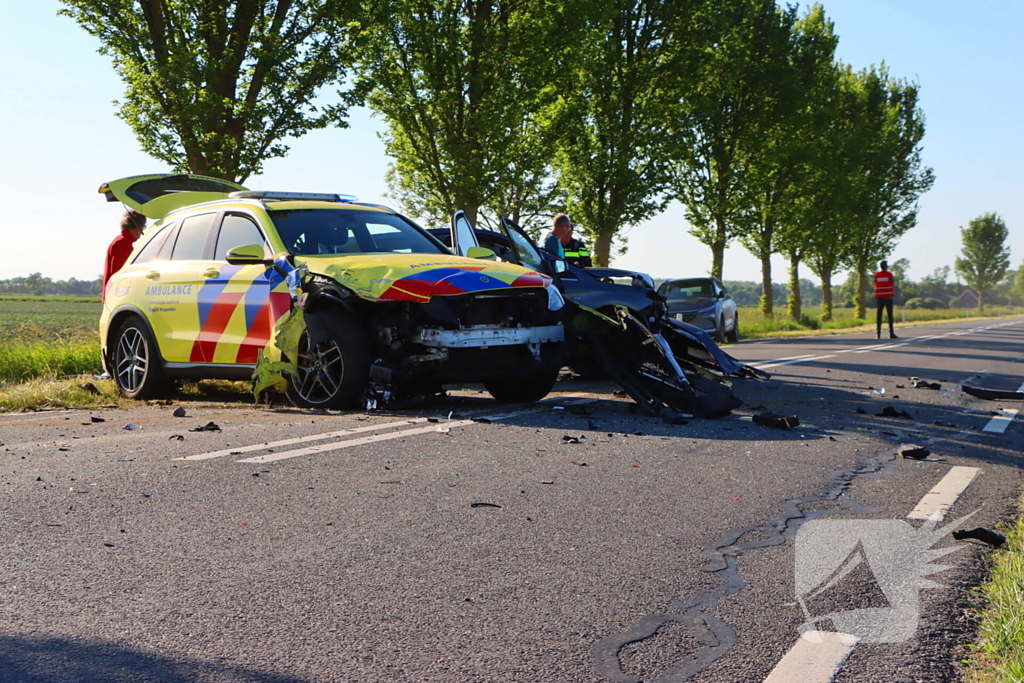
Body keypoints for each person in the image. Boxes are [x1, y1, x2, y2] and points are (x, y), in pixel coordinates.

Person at [102, 209, 146, 302]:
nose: (141, 234)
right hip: (118, 295)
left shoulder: (121, 241)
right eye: (142, 230)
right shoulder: (123, 244)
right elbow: (120, 272)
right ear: (136, 228)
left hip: (114, 294)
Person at [873, 259, 897, 339]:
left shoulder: (876, 275)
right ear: (886, 267)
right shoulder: (889, 274)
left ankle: (878, 334)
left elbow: (874, 283)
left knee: (879, 315)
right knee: (890, 315)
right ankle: (891, 333)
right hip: (888, 297)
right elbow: (892, 283)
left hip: (879, 298)